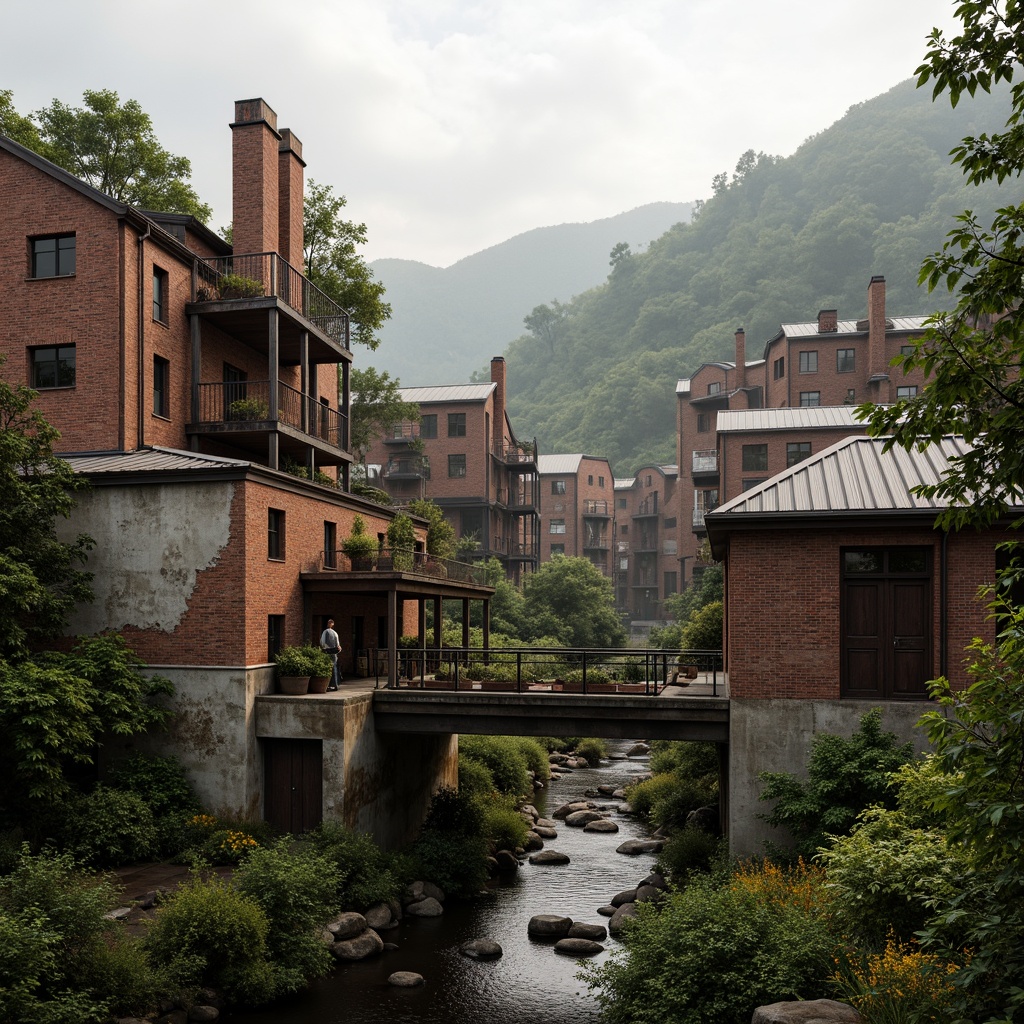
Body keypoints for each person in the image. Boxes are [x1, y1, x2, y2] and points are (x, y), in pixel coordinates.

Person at [320, 618, 341, 690]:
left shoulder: (325, 632)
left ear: (327, 624)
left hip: (327, 652)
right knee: (334, 668)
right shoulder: (335, 633)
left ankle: (328, 685)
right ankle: (335, 685)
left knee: (327, 668)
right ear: (333, 624)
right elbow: (338, 645)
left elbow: (322, 643)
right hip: (334, 653)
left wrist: (323, 648)